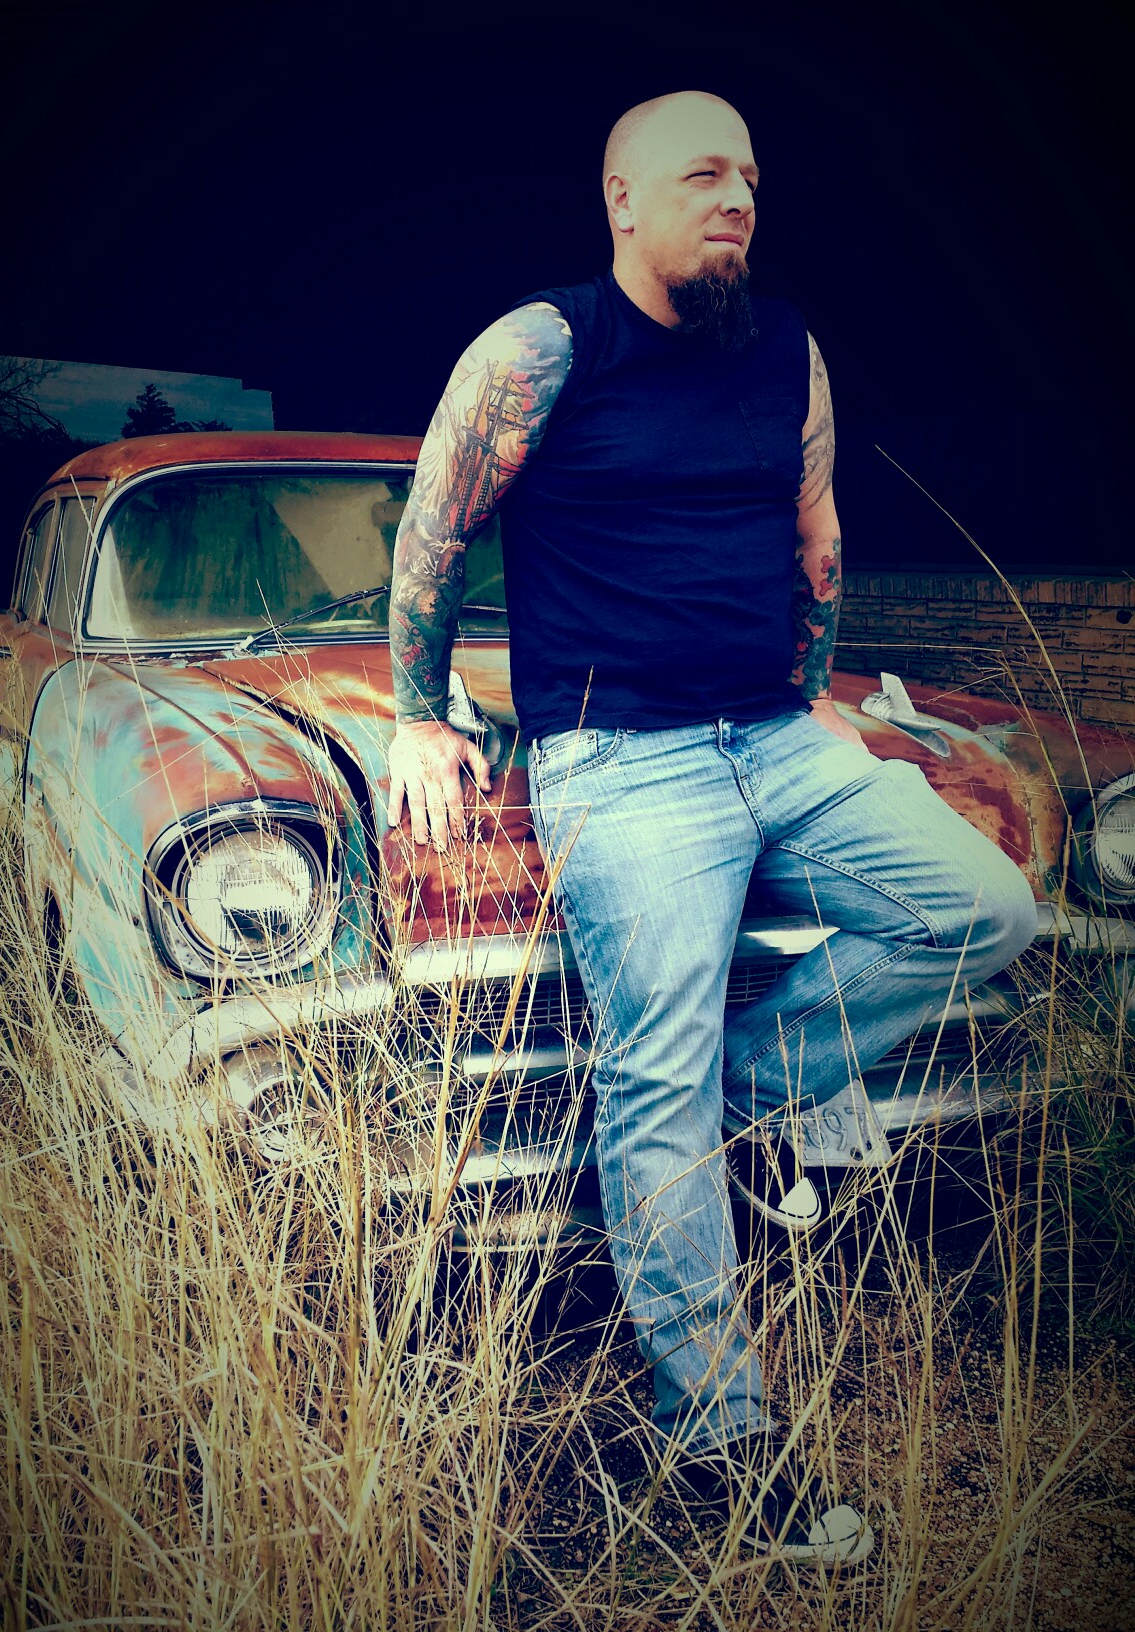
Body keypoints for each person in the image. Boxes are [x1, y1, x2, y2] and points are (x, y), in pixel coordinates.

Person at [386, 90, 1038, 1564]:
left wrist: (813, 694)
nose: (736, 197)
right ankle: (719, 1444)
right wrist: (418, 714)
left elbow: (817, 535)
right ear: (622, 199)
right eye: (701, 175)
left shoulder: (787, 349)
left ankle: (740, 1092)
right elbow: (433, 531)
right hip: (622, 764)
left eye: (747, 175)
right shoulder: (541, 349)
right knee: (652, 1072)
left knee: (985, 911)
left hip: (776, 738)